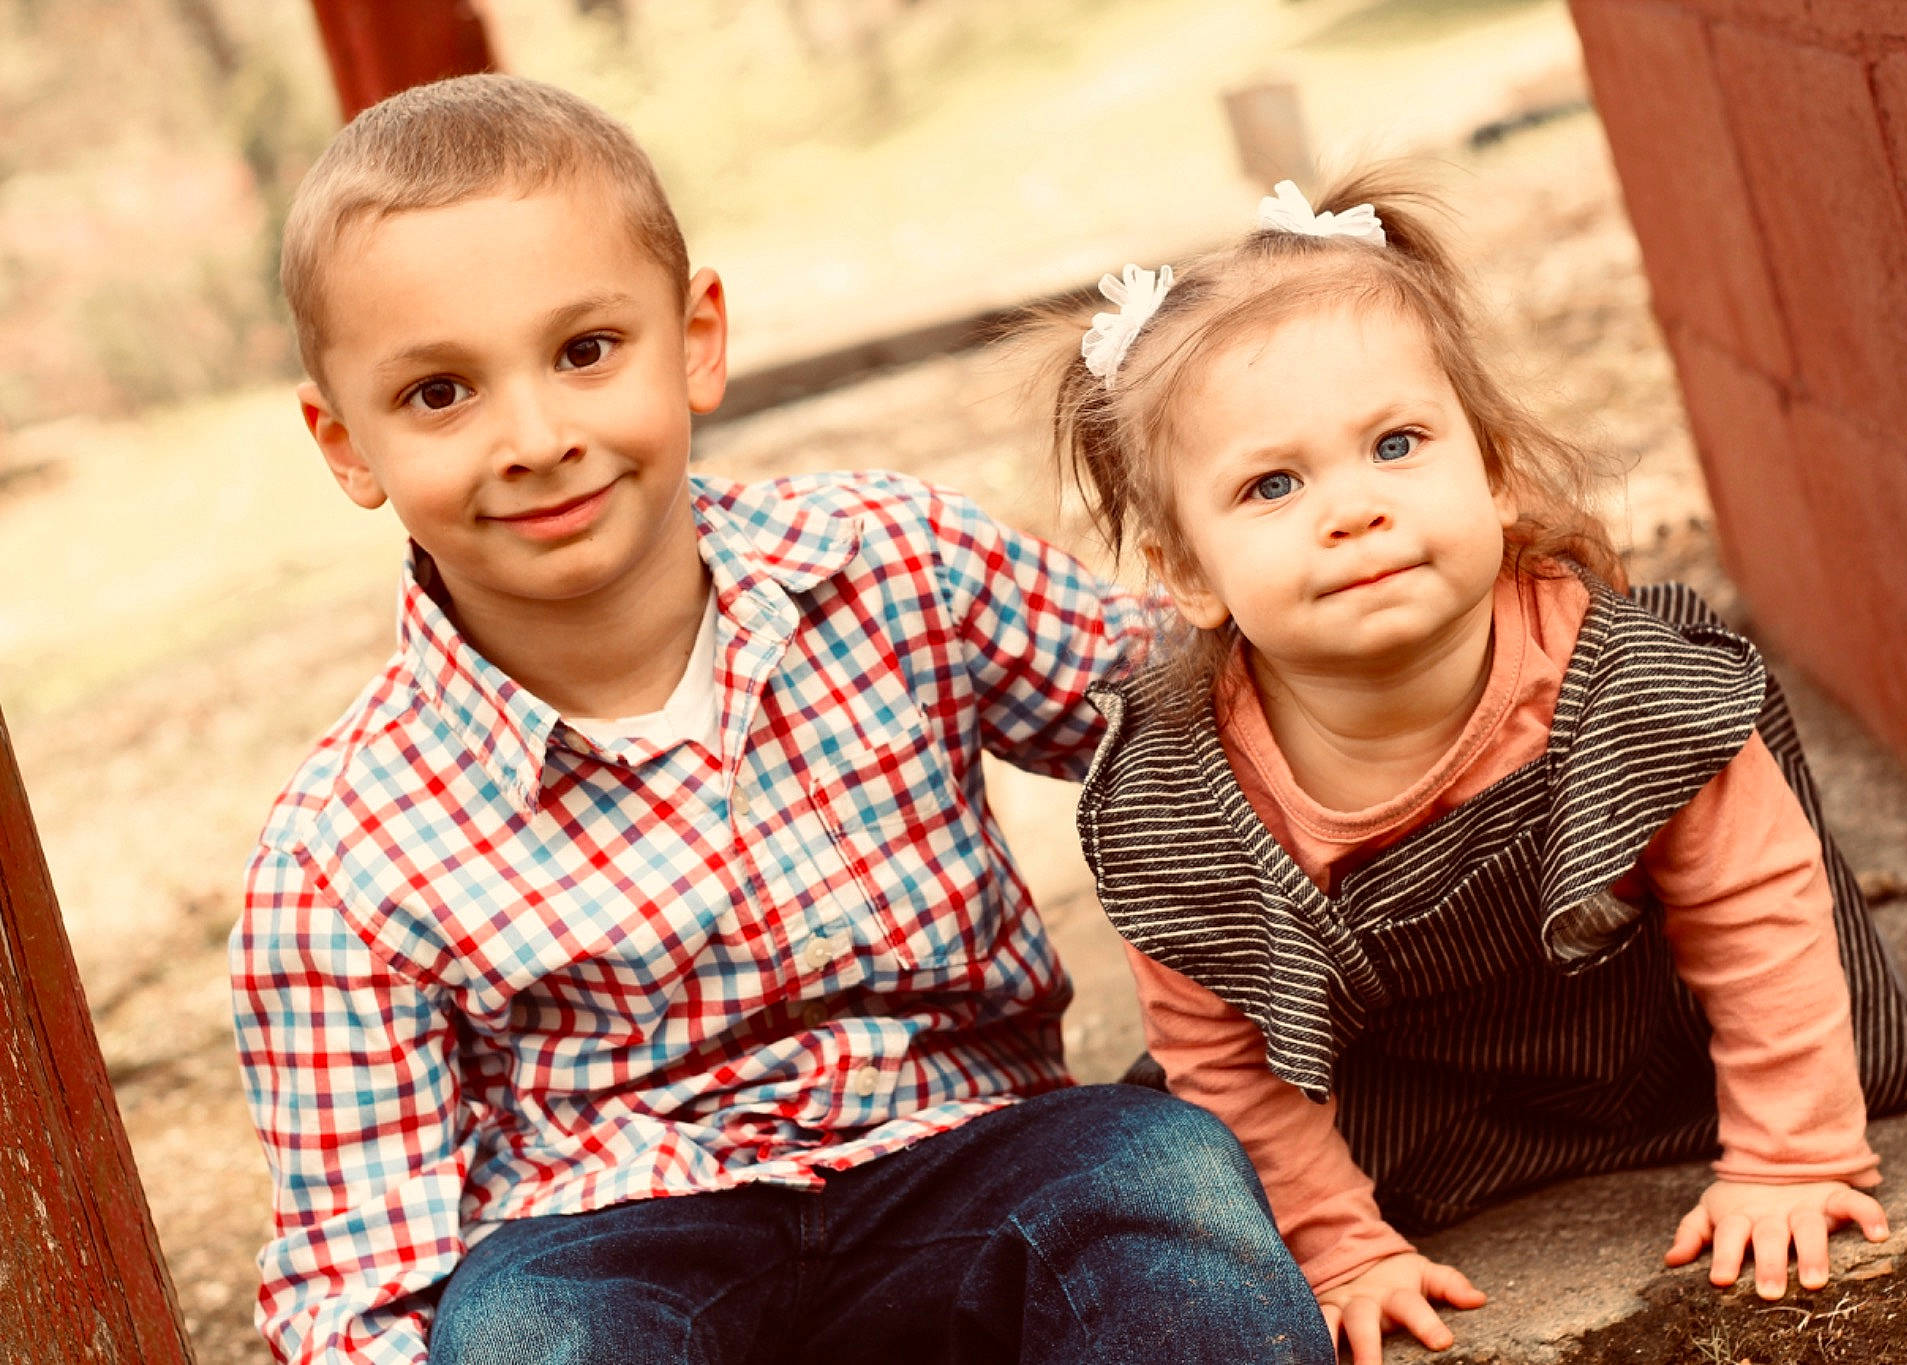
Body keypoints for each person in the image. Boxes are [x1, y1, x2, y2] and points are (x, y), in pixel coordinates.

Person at [231, 73, 1331, 1365]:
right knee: (524, 1339)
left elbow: (1190, 713)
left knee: (1163, 1179)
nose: (532, 436)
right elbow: (355, 1280)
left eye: (585, 352)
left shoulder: (888, 561)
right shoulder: (341, 855)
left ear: (697, 338)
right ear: (344, 441)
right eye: (438, 394)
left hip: (974, 1149)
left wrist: (1400, 650)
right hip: (612, 1242)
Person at [1033, 173, 1907, 1364]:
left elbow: (1757, 909)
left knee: (1784, 964)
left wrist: (1789, 1155)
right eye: (1271, 485)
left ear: (1494, 471)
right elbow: (1230, 1060)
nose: (1350, 508)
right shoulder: (1179, 807)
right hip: (1408, 1112)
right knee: (1173, 1166)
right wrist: (1338, 1247)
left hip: (1654, 1042)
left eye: (1395, 445)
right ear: (1184, 571)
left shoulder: (1621, 682)